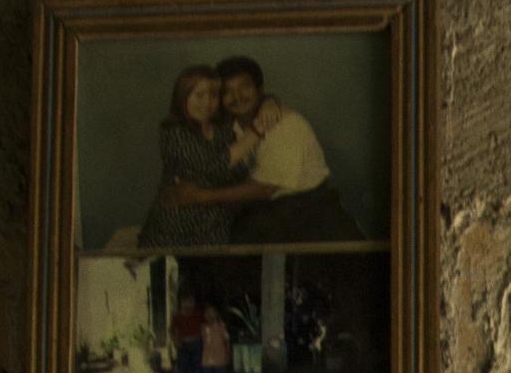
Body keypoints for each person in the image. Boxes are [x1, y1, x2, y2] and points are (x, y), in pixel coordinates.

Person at [168, 56, 363, 243]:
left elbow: (265, 188)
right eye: (227, 91)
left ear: (259, 89)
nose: (236, 97)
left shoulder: (286, 124)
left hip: (311, 218)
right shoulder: (228, 126)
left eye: (244, 87)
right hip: (271, 215)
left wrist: (202, 197)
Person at [140, 67, 236, 249]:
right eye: (199, 95)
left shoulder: (223, 129)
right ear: (183, 97)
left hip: (214, 226)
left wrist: (271, 102)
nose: (207, 103)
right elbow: (210, 166)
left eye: (214, 95)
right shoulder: (172, 130)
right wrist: (255, 133)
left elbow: (235, 172)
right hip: (174, 228)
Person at [169, 291, 208, 373]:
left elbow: (207, 326)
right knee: (183, 372)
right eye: (185, 302)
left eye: (191, 302)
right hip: (183, 346)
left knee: (197, 371)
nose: (188, 305)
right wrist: (175, 341)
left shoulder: (198, 314)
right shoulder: (177, 316)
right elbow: (171, 330)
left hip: (197, 344)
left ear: (194, 303)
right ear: (181, 303)